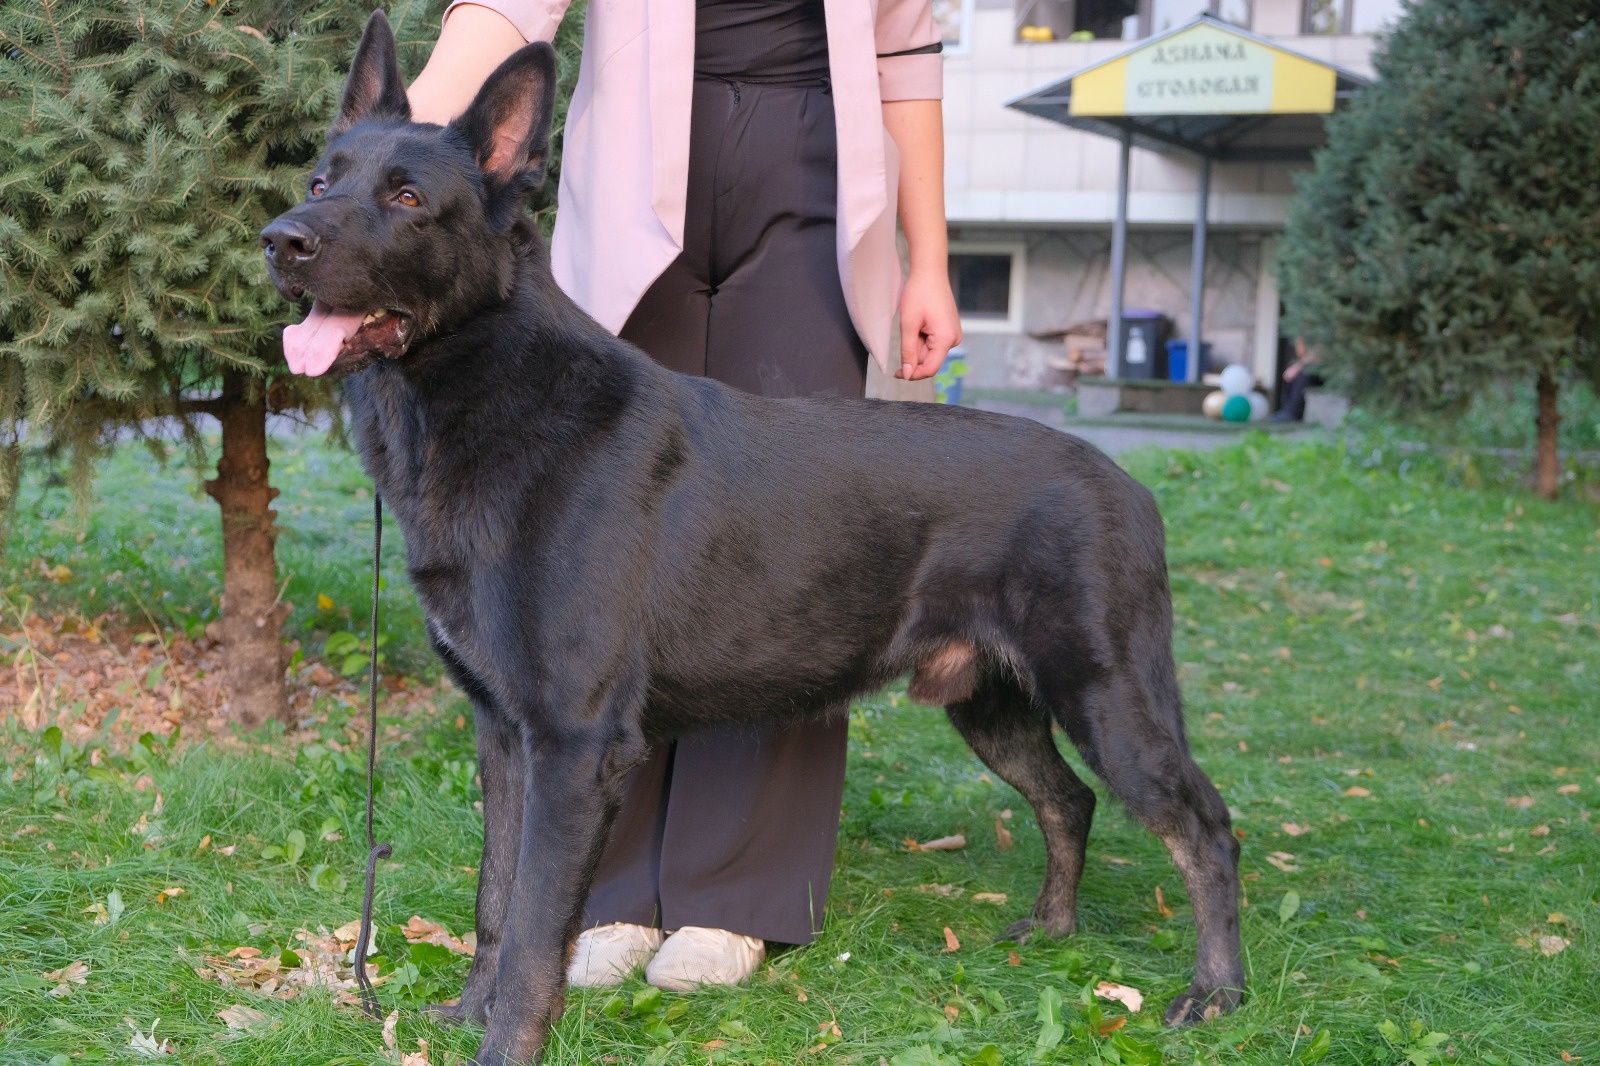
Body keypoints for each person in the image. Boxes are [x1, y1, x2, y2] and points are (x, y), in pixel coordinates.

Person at [408, 0, 960, 992]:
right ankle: (612, 886)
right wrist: (410, 136)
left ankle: (736, 893)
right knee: (602, 548)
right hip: (632, 184)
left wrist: (930, 261)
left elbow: (906, 53)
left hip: (819, 183)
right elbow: (504, 8)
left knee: (787, 540)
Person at [1273, 336, 1320, 422]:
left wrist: (1298, 367)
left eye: (1299, 344)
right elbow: (1287, 375)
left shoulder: (1316, 351)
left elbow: (1316, 358)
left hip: (1317, 379)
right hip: (1306, 370)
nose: (1297, 347)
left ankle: (1292, 412)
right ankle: (1286, 410)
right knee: (1293, 374)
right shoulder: (1300, 362)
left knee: (1303, 375)